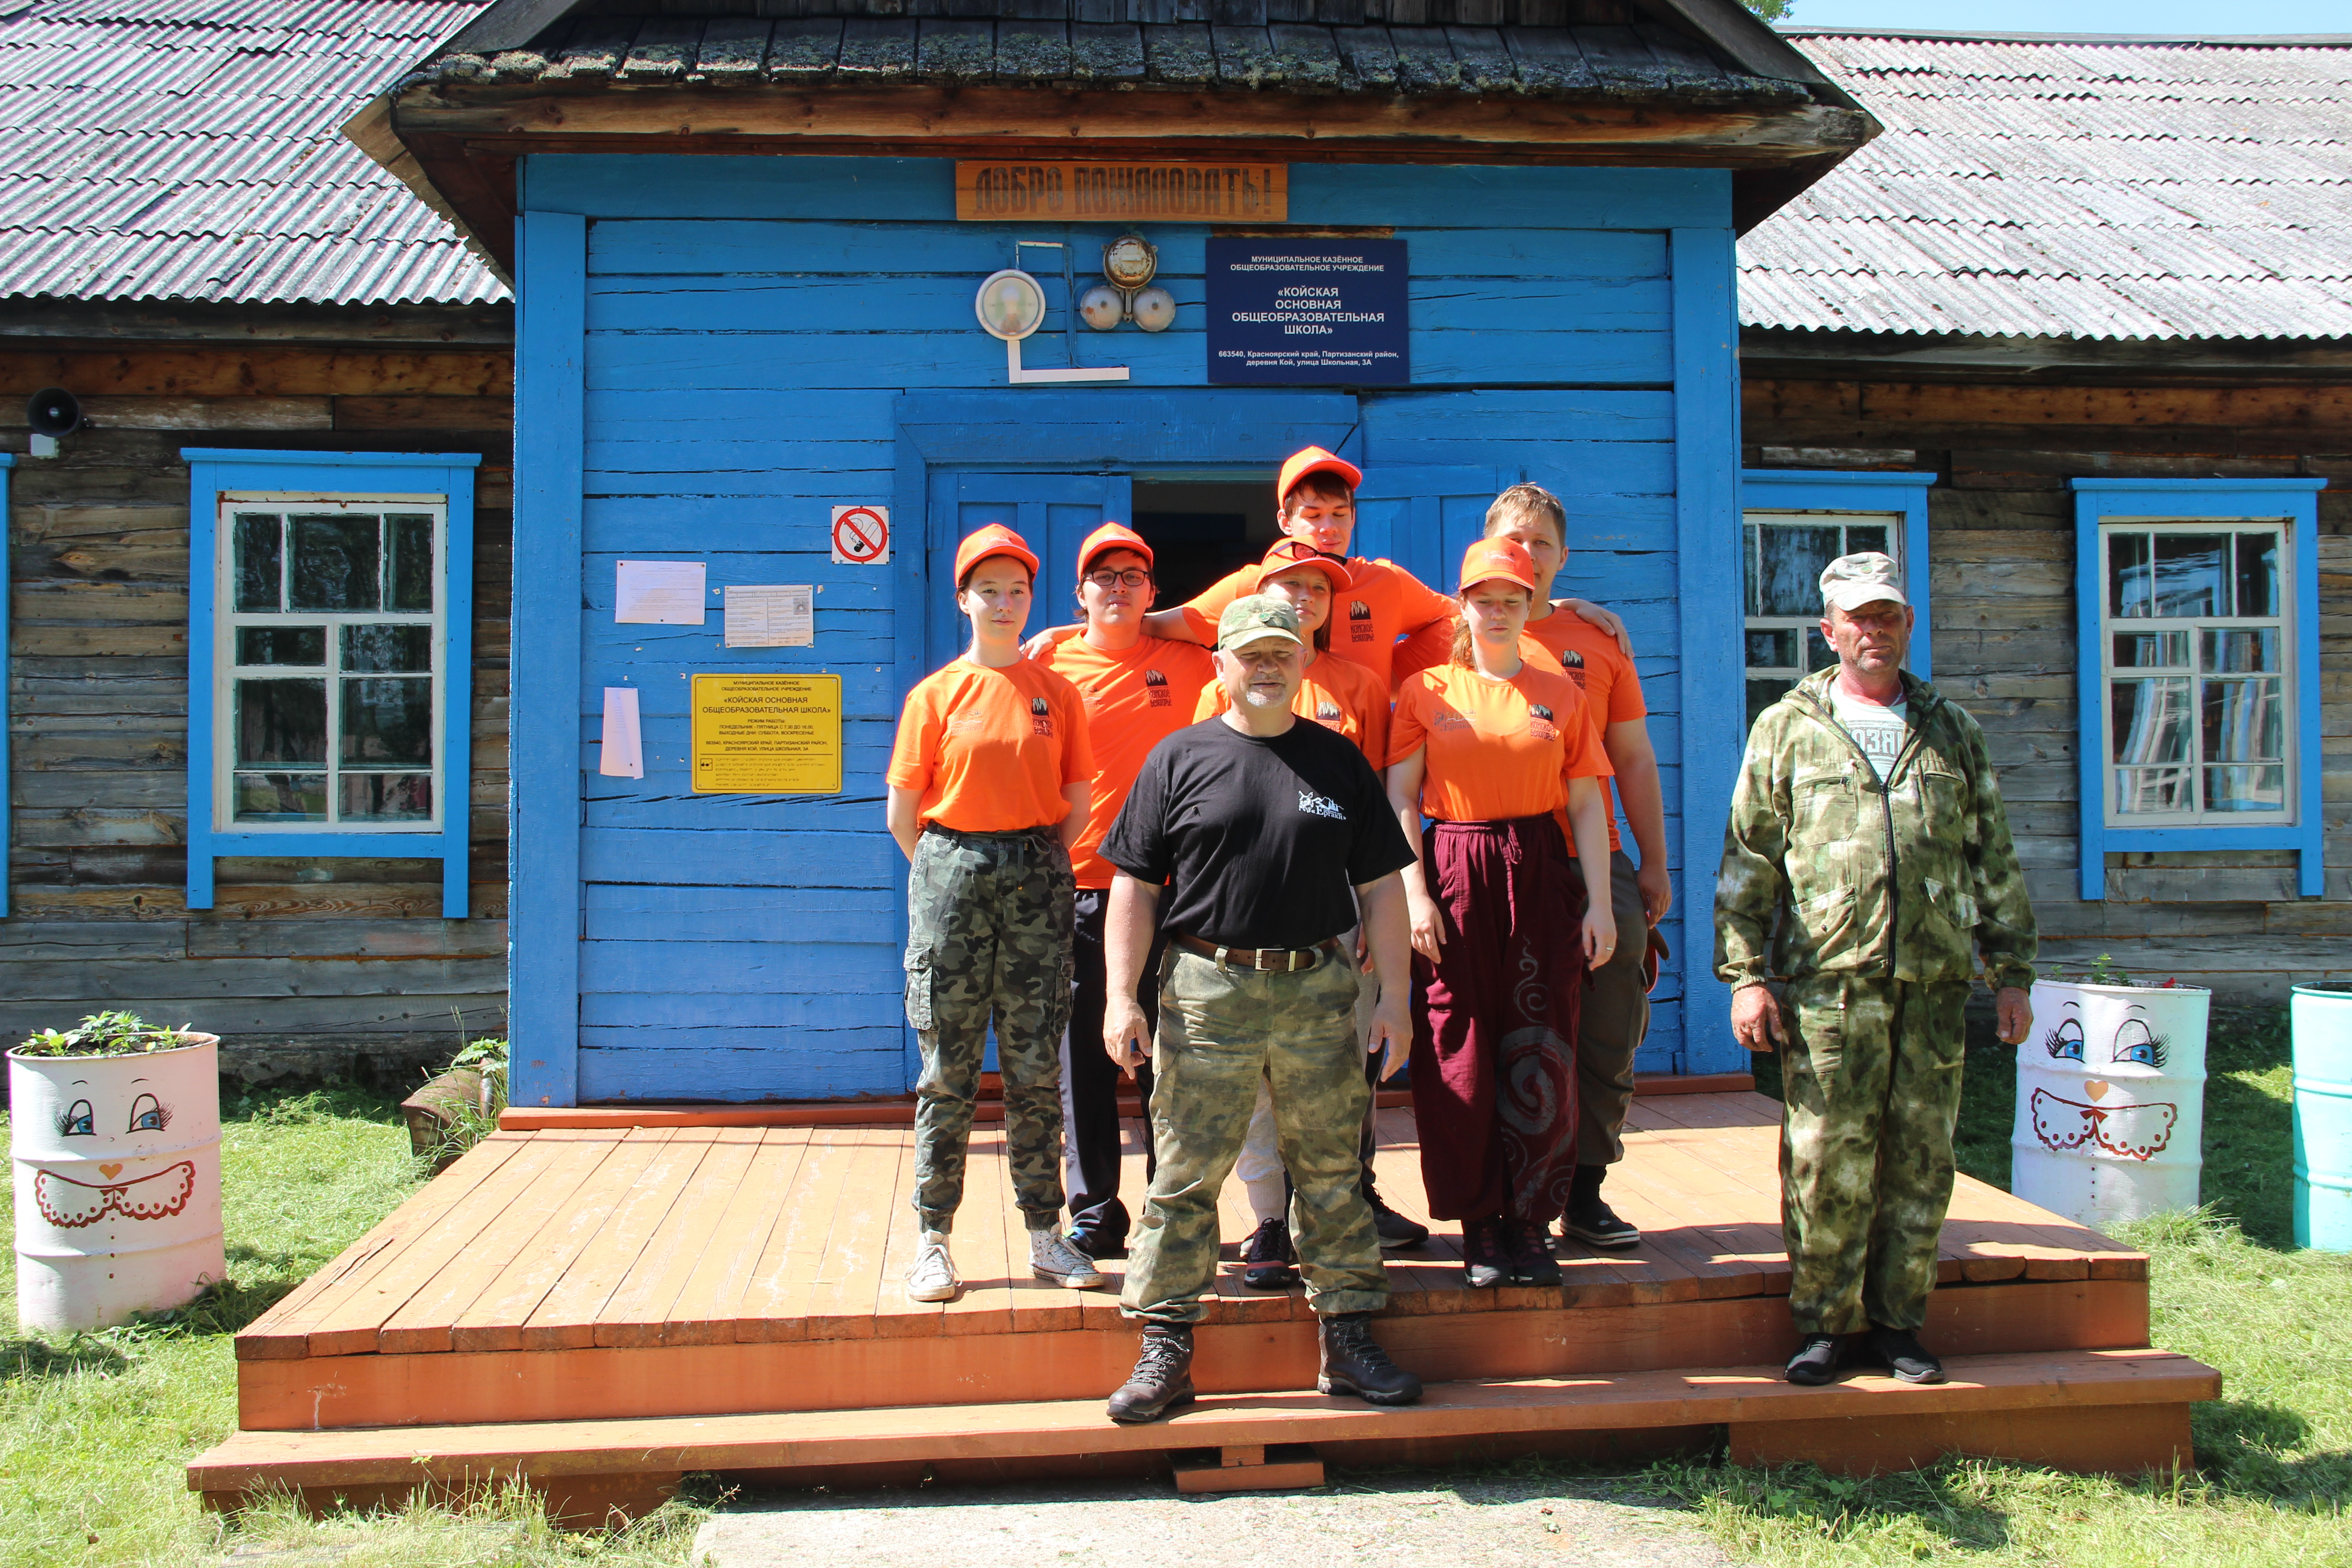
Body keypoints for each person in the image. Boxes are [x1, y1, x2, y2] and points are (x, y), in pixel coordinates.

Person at [1096, 595, 1423, 1424]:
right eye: (1251, 653)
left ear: (1304, 661)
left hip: (1319, 991)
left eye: (1283, 651)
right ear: (1221, 666)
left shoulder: (1339, 763)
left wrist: (1396, 998)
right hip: (1208, 990)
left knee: (1332, 1172)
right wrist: (1119, 997)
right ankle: (1165, 1347)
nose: (1268, 665)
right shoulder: (1178, 758)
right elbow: (1132, 886)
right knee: (1184, 1174)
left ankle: (1348, 1337)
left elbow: (1381, 887)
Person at [1715, 551, 2038, 1387]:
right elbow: (1750, 860)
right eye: (1858, 618)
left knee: (1920, 1159)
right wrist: (1747, 974)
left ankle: (1898, 1324)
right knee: (1826, 1157)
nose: (1874, 631)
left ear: (1908, 625)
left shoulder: (1951, 729)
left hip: (1931, 986)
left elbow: (1991, 856)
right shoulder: (1785, 729)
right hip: (1830, 986)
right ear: (1829, 630)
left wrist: (2011, 971)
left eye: (1887, 615)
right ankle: (1825, 1325)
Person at [1396, 483, 1671, 1250]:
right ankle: (1493, 1205)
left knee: (1607, 1015)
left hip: (1589, 856)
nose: (1528, 556)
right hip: (1473, 858)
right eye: (1514, 541)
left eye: (1543, 544)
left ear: (1562, 557)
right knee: (1480, 1023)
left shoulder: (1598, 639)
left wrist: (1653, 863)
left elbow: (1633, 759)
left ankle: (1581, 1187)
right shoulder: (1434, 644)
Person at [884, 523, 1108, 1303]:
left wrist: (1031, 862)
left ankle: (1047, 1236)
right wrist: (957, 873)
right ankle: (933, 1239)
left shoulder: (1058, 693)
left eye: (1017, 591)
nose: (1006, 603)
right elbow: (904, 815)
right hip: (952, 874)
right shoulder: (936, 695)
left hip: (1040, 879)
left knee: (1036, 1069)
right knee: (947, 1069)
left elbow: (1076, 803)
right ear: (963, 599)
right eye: (990, 590)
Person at [1386, 537, 1617, 1287]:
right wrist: (1415, 893)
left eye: (1511, 600)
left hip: (1539, 871)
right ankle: (1479, 1225)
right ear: (1463, 605)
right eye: (1483, 599)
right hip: (1453, 868)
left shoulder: (1561, 694)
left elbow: (1585, 801)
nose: (1496, 612)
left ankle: (1531, 1222)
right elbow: (1398, 798)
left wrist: (1601, 905)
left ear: (1530, 607)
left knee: (1543, 1037)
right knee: (1460, 1043)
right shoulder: (1429, 691)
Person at [1195, 539, 1426, 1287]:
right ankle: (1269, 1219)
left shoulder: (1360, 684)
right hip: (1250, 920)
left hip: (1340, 918)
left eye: (1319, 590)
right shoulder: (1228, 682)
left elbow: (1379, 809)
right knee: (1261, 1080)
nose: (1305, 599)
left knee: (1343, 1068)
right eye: (1290, 586)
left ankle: (1348, 1197)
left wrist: (1374, 921)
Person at [1029, 446, 1632, 693]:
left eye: (1340, 514)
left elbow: (1477, 613)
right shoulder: (1251, 585)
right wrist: (1070, 632)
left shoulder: (1386, 583)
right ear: (1285, 519)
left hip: (1360, 775)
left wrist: (1561, 610)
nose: (1328, 527)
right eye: (1313, 513)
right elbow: (1161, 624)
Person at [1038, 522, 1217, 1260]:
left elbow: (1264, 605)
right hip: (1082, 885)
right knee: (1084, 1056)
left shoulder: (1193, 662)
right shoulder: (1047, 668)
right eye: (1103, 577)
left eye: (1132, 578)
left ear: (1153, 592)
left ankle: (1169, 1206)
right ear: (1079, 592)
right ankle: (1095, 1208)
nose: (1118, 589)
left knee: (1173, 1055)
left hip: (1180, 890)